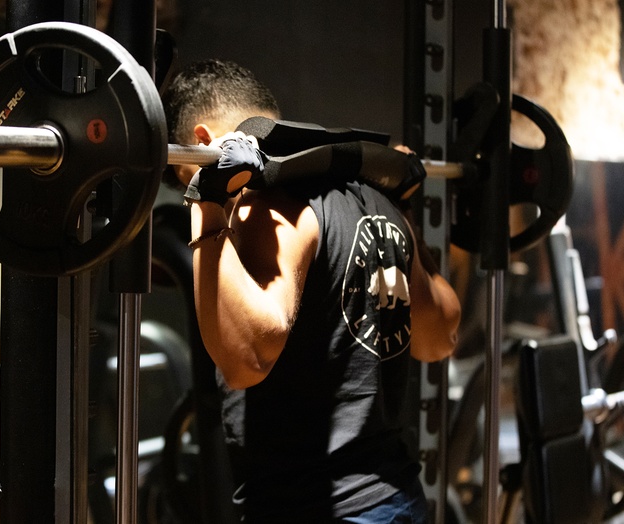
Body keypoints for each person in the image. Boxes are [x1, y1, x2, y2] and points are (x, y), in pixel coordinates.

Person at [161, 59, 461, 523]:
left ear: (202, 142)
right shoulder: (377, 201)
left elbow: (247, 359)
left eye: (182, 172)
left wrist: (206, 199)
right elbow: (438, 336)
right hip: (397, 499)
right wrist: (407, 222)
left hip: (315, 508)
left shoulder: (263, 208)